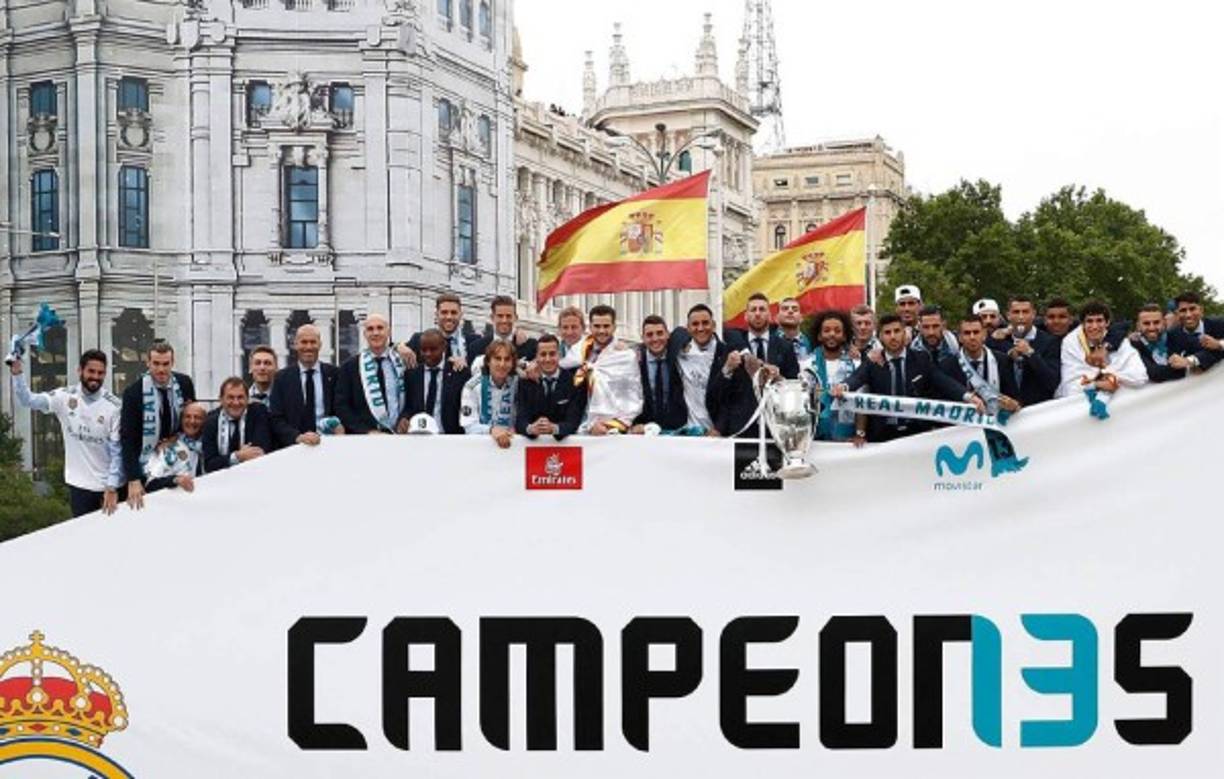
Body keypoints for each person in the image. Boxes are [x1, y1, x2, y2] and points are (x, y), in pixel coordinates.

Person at [9, 349, 123, 517]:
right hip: (79, 486)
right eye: (91, 371)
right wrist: (17, 372)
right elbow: (28, 400)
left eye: (101, 373)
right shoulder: (64, 397)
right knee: (83, 539)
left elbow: (118, 451)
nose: (96, 377)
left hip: (108, 488)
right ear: (80, 371)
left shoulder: (114, 406)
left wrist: (112, 486)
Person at [832, 313, 976, 444]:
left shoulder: (921, 359)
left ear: (904, 334)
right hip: (882, 435)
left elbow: (943, 381)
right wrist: (843, 387)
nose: (893, 336)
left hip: (917, 434)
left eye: (897, 331)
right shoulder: (873, 362)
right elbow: (856, 378)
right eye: (887, 332)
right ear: (880, 336)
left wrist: (968, 396)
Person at [120, 341, 197, 510]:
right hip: (148, 464)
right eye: (156, 364)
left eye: (165, 364)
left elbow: (192, 419)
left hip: (180, 457)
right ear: (148, 363)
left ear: (173, 362)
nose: (161, 369)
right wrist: (133, 479)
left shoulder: (185, 384)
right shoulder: (133, 393)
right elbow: (127, 438)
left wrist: (174, 438)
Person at [714, 293, 800, 437]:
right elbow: (719, 393)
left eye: (762, 309)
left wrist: (778, 378)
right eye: (753, 310)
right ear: (746, 316)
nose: (758, 314)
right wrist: (727, 368)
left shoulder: (785, 346)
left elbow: (795, 387)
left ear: (770, 315)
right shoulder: (732, 347)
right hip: (740, 427)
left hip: (775, 427)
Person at [1056, 301, 1148, 405]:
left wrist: (1110, 378)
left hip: (1118, 405)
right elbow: (1070, 388)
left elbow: (1140, 376)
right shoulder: (1071, 342)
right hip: (1080, 407)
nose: (1094, 326)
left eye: (1099, 321)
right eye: (1089, 321)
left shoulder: (1120, 342)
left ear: (1107, 322)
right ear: (1082, 323)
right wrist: (1098, 384)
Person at [573, 305, 641, 435]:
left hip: (611, 428)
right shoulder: (579, 350)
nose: (602, 330)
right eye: (597, 326)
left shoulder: (625, 355)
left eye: (606, 326)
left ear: (614, 327)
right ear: (590, 327)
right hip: (580, 425)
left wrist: (610, 424)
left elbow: (631, 395)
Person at [269, 324, 341, 448]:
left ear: (320, 344)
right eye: (304, 342)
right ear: (295, 345)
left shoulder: (335, 374)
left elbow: (343, 409)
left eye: (313, 342)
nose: (308, 347)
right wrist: (297, 437)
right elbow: (276, 418)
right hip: (295, 448)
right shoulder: (281, 378)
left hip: (329, 446)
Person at [335, 313, 406, 434]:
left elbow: (412, 399)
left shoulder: (403, 363)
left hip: (400, 437)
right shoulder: (349, 367)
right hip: (365, 440)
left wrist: (406, 418)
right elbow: (342, 407)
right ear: (365, 334)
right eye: (370, 329)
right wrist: (367, 431)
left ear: (388, 331)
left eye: (380, 328)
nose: (375, 333)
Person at [939, 315, 1022, 414]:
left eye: (976, 332)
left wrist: (1013, 404)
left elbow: (1014, 397)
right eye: (967, 333)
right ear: (960, 337)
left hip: (996, 421)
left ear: (984, 335)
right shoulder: (947, 365)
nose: (972, 337)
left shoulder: (1002, 360)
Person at [988, 295, 1061, 406]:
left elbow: (1052, 382)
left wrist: (1031, 353)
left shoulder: (1050, 342)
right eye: (1016, 312)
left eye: (1025, 312)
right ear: (1008, 315)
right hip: (1007, 410)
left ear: (1033, 314)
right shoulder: (999, 340)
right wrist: (1009, 352)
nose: (1021, 317)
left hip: (1038, 409)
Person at [668, 303, 727, 435]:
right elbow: (657, 343)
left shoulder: (726, 354)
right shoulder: (679, 351)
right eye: (695, 324)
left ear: (714, 325)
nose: (700, 328)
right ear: (688, 328)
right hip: (688, 431)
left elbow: (731, 398)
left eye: (705, 323)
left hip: (717, 433)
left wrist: (719, 428)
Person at [514, 334, 585, 440]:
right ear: (536, 356)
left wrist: (554, 428)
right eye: (543, 354)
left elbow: (574, 421)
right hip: (533, 447)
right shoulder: (525, 383)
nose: (547, 359)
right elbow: (520, 419)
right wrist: (531, 429)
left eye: (552, 354)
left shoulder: (575, 382)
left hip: (564, 448)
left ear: (560, 355)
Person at [398, 328, 469, 434]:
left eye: (433, 349)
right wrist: (404, 418)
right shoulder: (412, 374)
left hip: (450, 438)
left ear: (444, 347)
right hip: (419, 436)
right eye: (424, 350)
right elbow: (408, 406)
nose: (428, 354)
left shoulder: (458, 373)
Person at [805, 310, 860, 442]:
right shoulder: (806, 365)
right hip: (814, 438)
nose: (832, 334)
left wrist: (859, 433)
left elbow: (861, 402)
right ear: (819, 336)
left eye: (837, 330)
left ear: (845, 336)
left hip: (848, 438)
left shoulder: (856, 364)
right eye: (827, 330)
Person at [202, 377, 273, 473]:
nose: (236, 402)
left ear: (248, 399)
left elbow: (259, 451)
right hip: (223, 480)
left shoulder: (259, 413)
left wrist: (226, 459)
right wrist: (237, 456)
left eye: (240, 397)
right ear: (221, 399)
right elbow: (210, 464)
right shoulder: (211, 421)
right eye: (230, 397)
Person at [632, 315, 687, 433]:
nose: (655, 339)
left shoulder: (676, 354)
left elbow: (683, 332)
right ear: (643, 338)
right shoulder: (635, 361)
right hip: (645, 431)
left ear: (668, 334)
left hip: (677, 430)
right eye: (649, 335)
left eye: (660, 333)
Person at [460, 339, 518, 448]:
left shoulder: (518, 384)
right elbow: (468, 425)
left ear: (512, 363)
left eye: (507, 359)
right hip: (481, 448)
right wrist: (491, 430)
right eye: (497, 358)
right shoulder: (471, 386)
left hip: (513, 446)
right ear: (488, 361)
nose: (502, 364)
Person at [402, 293, 482, 368]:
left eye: (453, 313)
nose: (449, 317)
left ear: (460, 315)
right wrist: (398, 347)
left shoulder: (475, 341)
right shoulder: (419, 340)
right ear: (437, 314)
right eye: (444, 312)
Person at [145, 402, 207, 495]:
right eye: (188, 417)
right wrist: (175, 480)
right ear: (181, 420)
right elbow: (150, 485)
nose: (192, 421)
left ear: (205, 421)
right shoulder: (169, 448)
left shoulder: (210, 445)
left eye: (197, 417)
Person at [1167, 291, 1224, 373]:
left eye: (1192, 309)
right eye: (1183, 310)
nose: (1188, 315)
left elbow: (1216, 353)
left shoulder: (1218, 324)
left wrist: (1219, 345)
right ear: (1177, 314)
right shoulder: (1173, 335)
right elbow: (1174, 361)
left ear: (1201, 310)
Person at [471, 295, 537, 362]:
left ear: (516, 318)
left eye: (508, 316)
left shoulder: (530, 346)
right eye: (500, 316)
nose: (504, 320)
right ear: (492, 317)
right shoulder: (477, 347)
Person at [1129, 303, 1184, 383]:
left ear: (1164, 323)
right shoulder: (1132, 346)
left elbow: (1202, 354)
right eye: (1146, 323)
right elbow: (1154, 373)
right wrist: (1183, 369)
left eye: (1156, 322)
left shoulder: (1177, 337)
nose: (1152, 328)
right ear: (1138, 326)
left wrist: (1189, 361)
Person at [776, 297, 814, 362]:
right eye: (785, 309)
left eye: (795, 309)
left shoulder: (812, 343)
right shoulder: (767, 343)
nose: (790, 311)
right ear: (776, 318)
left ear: (801, 318)